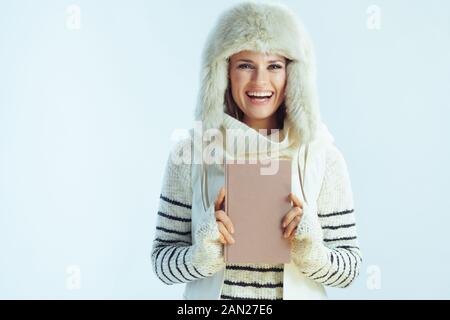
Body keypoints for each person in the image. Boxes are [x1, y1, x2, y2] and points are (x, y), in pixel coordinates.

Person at [151, 1, 362, 300]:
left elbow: (350, 269)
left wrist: (311, 249)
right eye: (245, 65)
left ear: (293, 75)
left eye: (274, 66)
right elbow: (162, 263)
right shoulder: (189, 154)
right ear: (224, 73)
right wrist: (203, 253)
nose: (260, 81)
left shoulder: (323, 157)